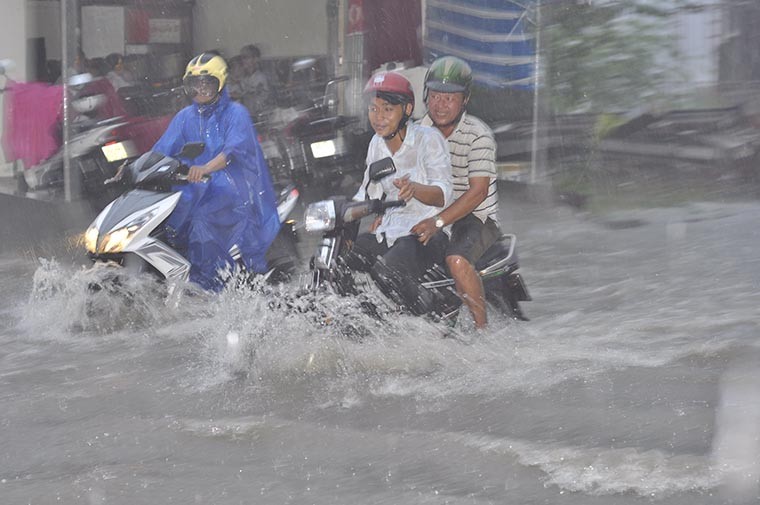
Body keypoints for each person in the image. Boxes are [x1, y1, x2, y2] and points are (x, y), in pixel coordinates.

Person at [151, 52, 281, 291]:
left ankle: (211, 288)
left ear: (220, 83)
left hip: (233, 190)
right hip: (196, 189)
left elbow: (232, 152)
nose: (200, 89)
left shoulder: (236, 113)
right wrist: (132, 169)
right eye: (194, 84)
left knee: (201, 225)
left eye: (206, 83)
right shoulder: (185, 117)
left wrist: (204, 168)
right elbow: (161, 150)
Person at [345, 70, 452, 314]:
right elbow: (367, 193)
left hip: (429, 231)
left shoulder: (428, 139)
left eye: (387, 109)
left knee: (387, 272)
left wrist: (415, 189)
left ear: (406, 109)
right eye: (373, 109)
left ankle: (430, 313)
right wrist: (344, 223)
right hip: (390, 231)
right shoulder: (376, 144)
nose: (378, 117)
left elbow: (443, 194)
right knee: (343, 265)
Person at [411, 56, 501, 329]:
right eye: (435, 96)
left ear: (465, 99)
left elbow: (478, 192)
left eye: (450, 98)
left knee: (457, 259)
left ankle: (482, 333)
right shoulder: (415, 132)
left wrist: (438, 222)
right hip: (430, 212)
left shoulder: (478, 135)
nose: (440, 105)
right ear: (426, 96)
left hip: (475, 217)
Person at [239, 44, 273, 118]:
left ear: (256, 59)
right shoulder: (243, 77)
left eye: (246, 57)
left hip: (259, 114)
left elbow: (254, 95)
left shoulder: (260, 77)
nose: (243, 60)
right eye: (242, 58)